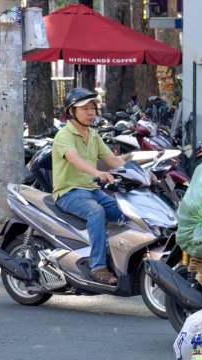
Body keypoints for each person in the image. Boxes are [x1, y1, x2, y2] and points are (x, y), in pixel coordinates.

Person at [52, 88, 128, 285]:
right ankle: (98, 267)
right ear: (71, 112)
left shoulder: (93, 135)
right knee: (96, 212)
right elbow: (74, 159)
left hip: (92, 191)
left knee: (125, 211)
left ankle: (117, 258)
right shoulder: (64, 135)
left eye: (92, 108)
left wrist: (142, 170)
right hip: (68, 192)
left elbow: (112, 159)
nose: (90, 112)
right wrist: (98, 173)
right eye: (84, 108)